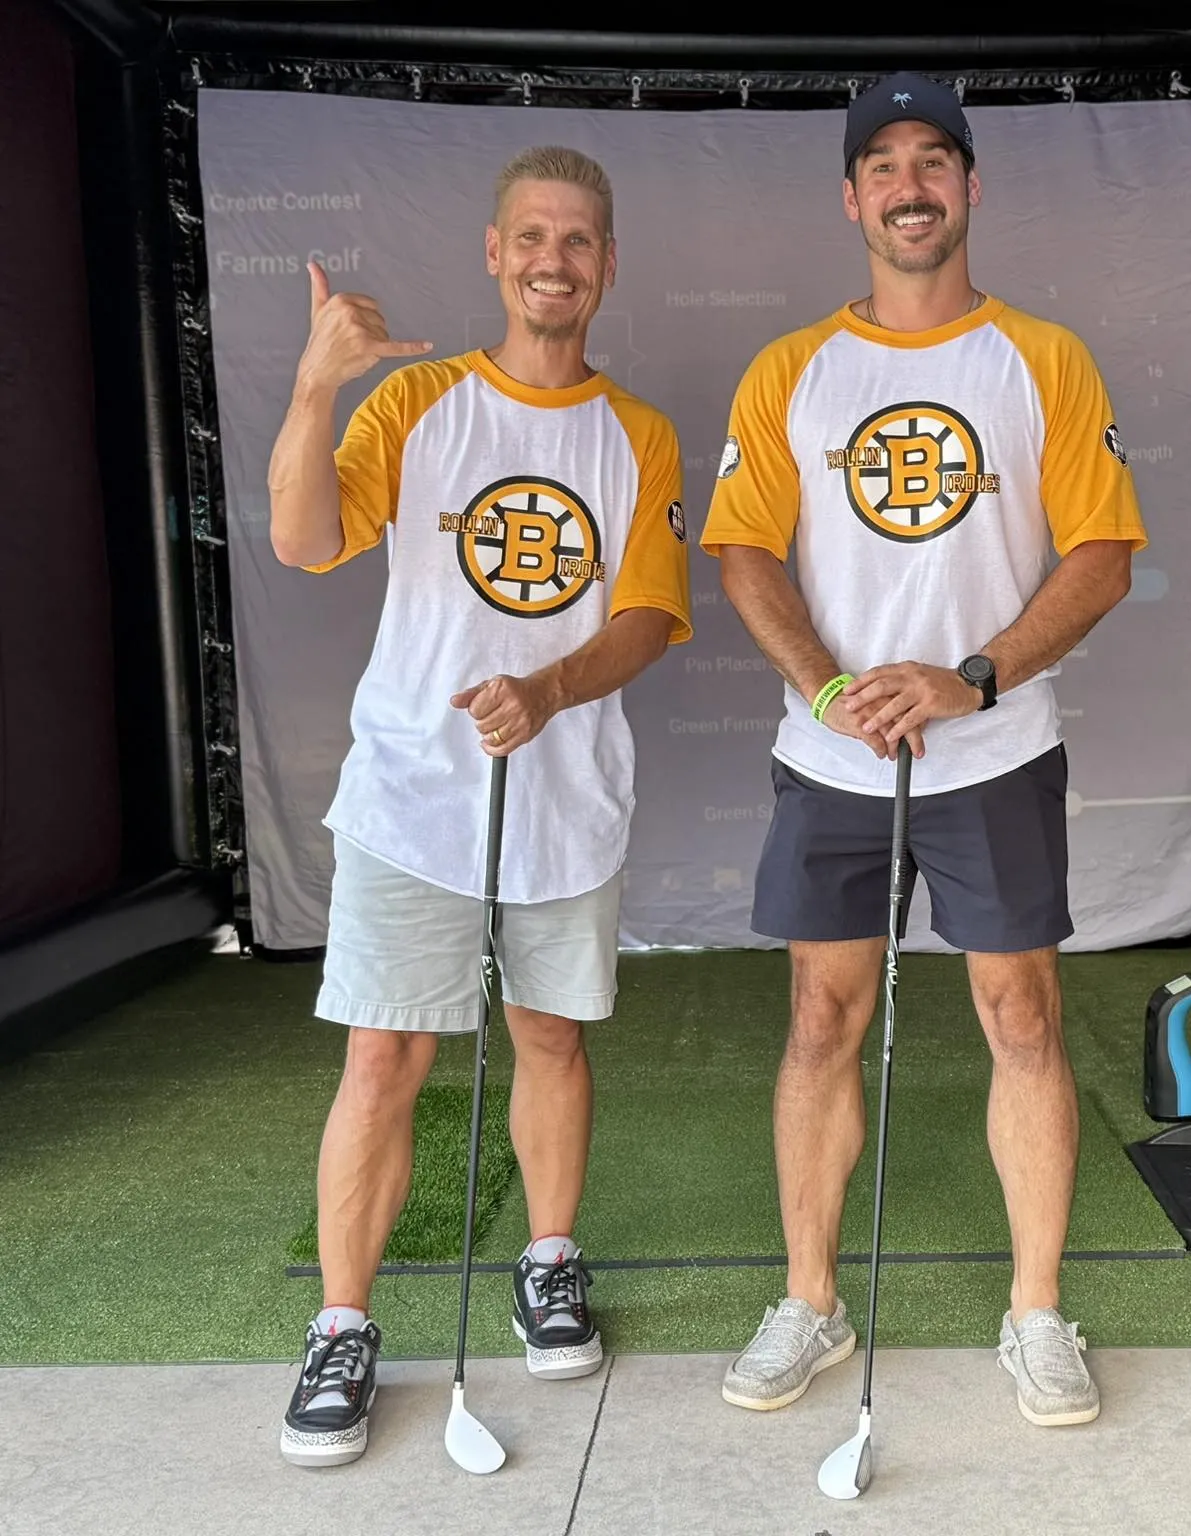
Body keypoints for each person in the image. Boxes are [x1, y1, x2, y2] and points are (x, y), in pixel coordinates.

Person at [699, 73, 1147, 1427]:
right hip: (833, 759)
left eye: (934, 160)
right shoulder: (790, 368)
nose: (910, 183)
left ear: (969, 189)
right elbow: (740, 553)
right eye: (883, 163)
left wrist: (970, 680)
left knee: (1021, 1018)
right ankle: (811, 1302)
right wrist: (831, 687)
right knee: (822, 1020)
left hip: (993, 754)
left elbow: (1106, 555)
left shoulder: (1044, 358)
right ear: (852, 198)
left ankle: (1036, 1311)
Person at [267, 146, 691, 1467]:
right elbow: (301, 536)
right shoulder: (421, 404)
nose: (552, 259)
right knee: (384, 1060)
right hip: (409, 796)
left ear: (606, 266)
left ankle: (549, 1261)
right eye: (531, 237)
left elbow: (647, 616)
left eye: (577, 240)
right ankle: (343, 1328)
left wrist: (553, 687)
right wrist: (315, 388)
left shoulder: (640, 433)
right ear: (495, 254)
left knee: (552, 1041)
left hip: (564, 803)